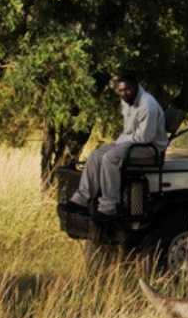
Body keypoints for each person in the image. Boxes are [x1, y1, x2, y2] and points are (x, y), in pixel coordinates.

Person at [65, 73, 168, 219]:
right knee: (96, 155)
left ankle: (108, 208)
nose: (123, 93)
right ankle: (81, 200)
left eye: (127, 89)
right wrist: (121, 141)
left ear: (135, 86)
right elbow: (129, 131)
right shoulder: (126, 100)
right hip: (131, 142)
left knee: (110, 157)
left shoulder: (148, 105)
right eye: (120, 90)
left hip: (149, 148)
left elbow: (145, 137)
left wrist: (120, 142)